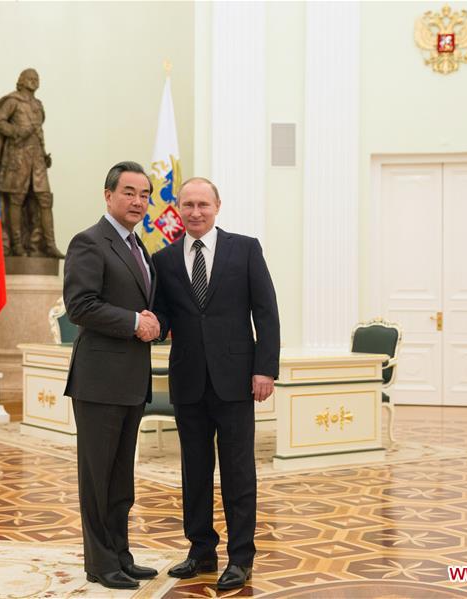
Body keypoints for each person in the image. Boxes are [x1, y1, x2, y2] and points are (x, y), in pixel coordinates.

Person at [152, 177, 280, 591]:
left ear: (217, 206)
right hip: (188, 380)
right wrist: (148, 325)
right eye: (187, 204)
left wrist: (265, 368)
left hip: (236, 381)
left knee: (238, 471)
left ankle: (241, 558)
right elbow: (164, 317)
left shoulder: (245, 249)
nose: (195, 211)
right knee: (194, 470)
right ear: (178, 209)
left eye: (202, 204)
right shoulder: (165, 258)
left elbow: (266, 311)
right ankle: (201, 550)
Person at [63, 161, 162, 590]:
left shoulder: (140, 248)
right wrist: (132, 322)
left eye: (144, 194)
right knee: (98, 477)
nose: (138, 201)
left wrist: (154, 324)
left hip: (130, 381)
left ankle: (121, 554)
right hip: (99, 381)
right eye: (128, 192)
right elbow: (80, 305)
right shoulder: (89, 242)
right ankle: (99, 563)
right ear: (108, 196)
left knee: (121, 479)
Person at [0, 68, 64, 258]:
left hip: (37, 159)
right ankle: (16, 246)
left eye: (36, 78)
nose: (34, 80)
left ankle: (48, 244)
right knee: (16, 199)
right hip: (18, 157)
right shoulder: (13, 101)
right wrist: (16, 131)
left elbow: (39, 132)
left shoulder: (38, 105)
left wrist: (43, 152)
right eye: (29, 78)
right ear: (21, 81)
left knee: (44, 199)